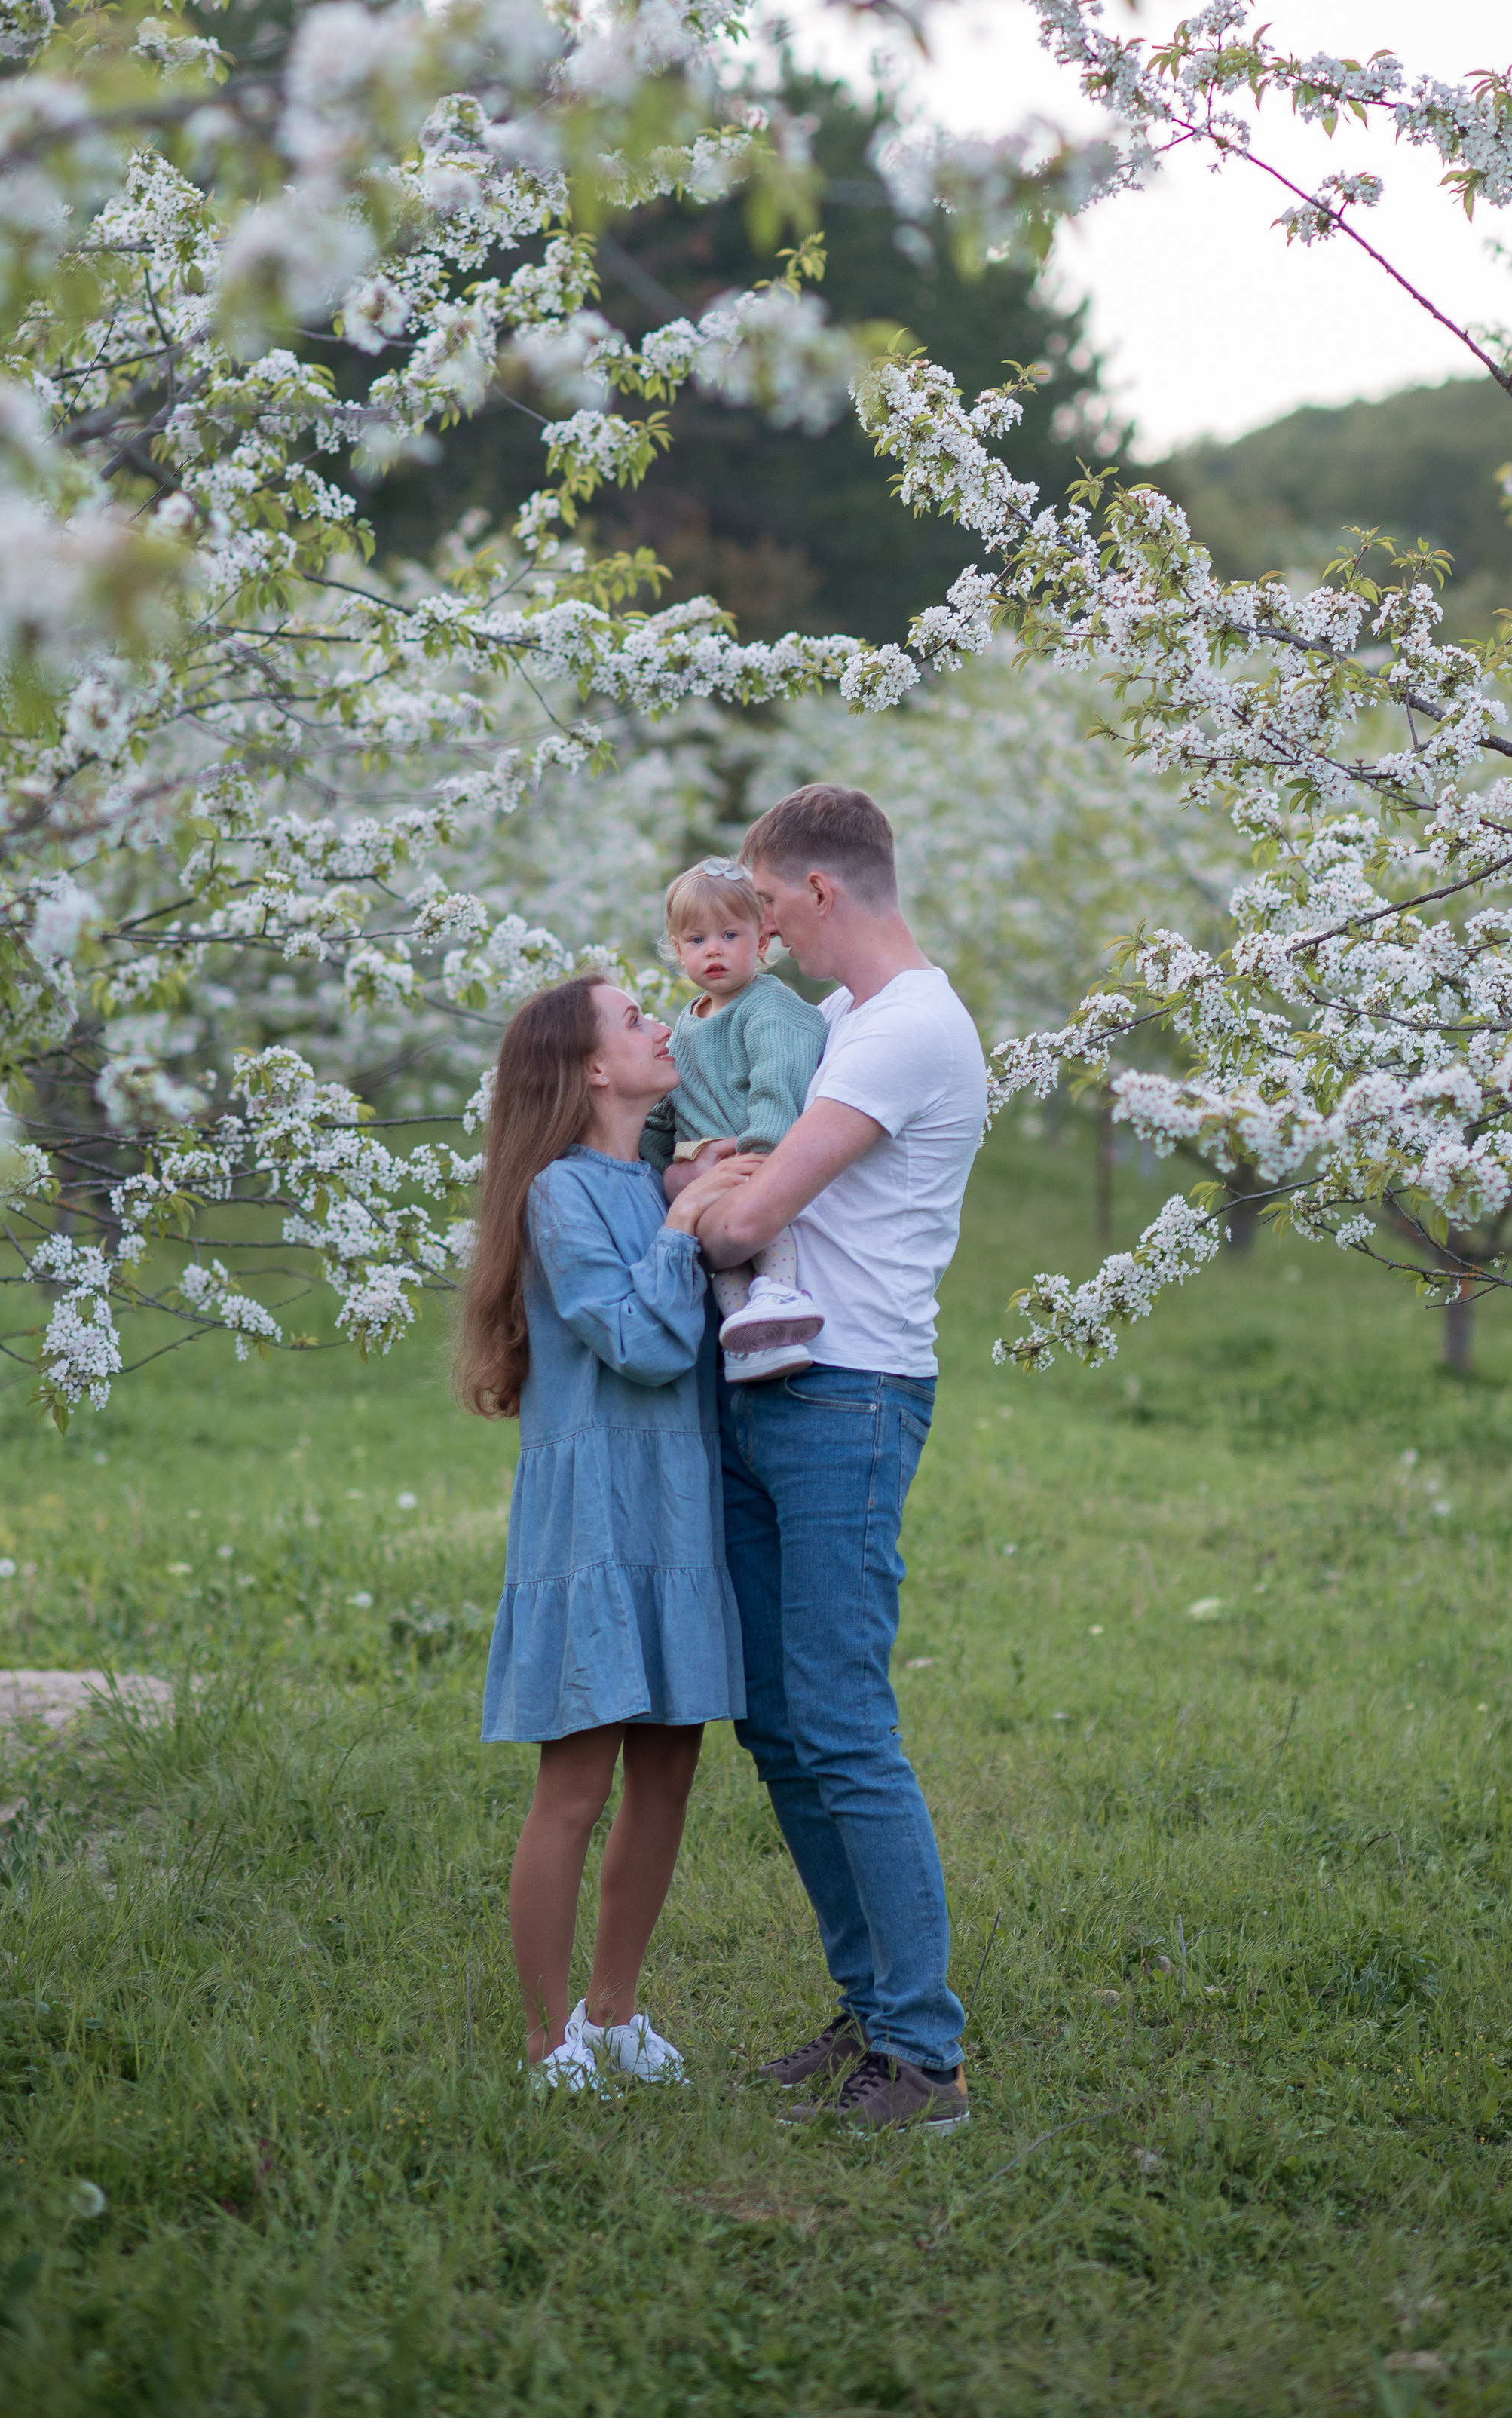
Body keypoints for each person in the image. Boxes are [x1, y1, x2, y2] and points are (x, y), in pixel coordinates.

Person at [688, 784, 988, 2135]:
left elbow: (751, 1211)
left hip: (848, 1393)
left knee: (843, 1719)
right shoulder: (834, 1021)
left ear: (820, 891)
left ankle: (925, 2056)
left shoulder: (910, 1026)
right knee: (778, 1719)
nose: (756, 929)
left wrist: (698, 1198)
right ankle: (872, 2008)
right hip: (770, 1386)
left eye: (765, 904)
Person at [456, 973, 753, 2092]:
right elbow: (638, 1338)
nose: (661, 1025)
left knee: (669, 1771)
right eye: (635, 1020)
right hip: (592, 1517)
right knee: (575, 1785)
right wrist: (682, 1222)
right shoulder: (557, 1196)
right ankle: (548, 2042)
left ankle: (616, 2011)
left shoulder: (653, 1178)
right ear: (589, 1067)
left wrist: (693, 1192)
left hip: (677, 1505)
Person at [638, 856, 831, 1384]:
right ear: (678, 951)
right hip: (704, 1183)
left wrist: (763, 1154)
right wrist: (662, 1168)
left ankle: (779, 1291)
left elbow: (777, 1081)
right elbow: (665, 1109)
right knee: (723, 1264)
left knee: (766, 1234)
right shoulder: (686, 1023)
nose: (714, 949)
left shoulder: (768, 1007)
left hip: (754, 1163)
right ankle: (750, 1334)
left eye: (730, 934)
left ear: (761, 941)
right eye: (697, 940)